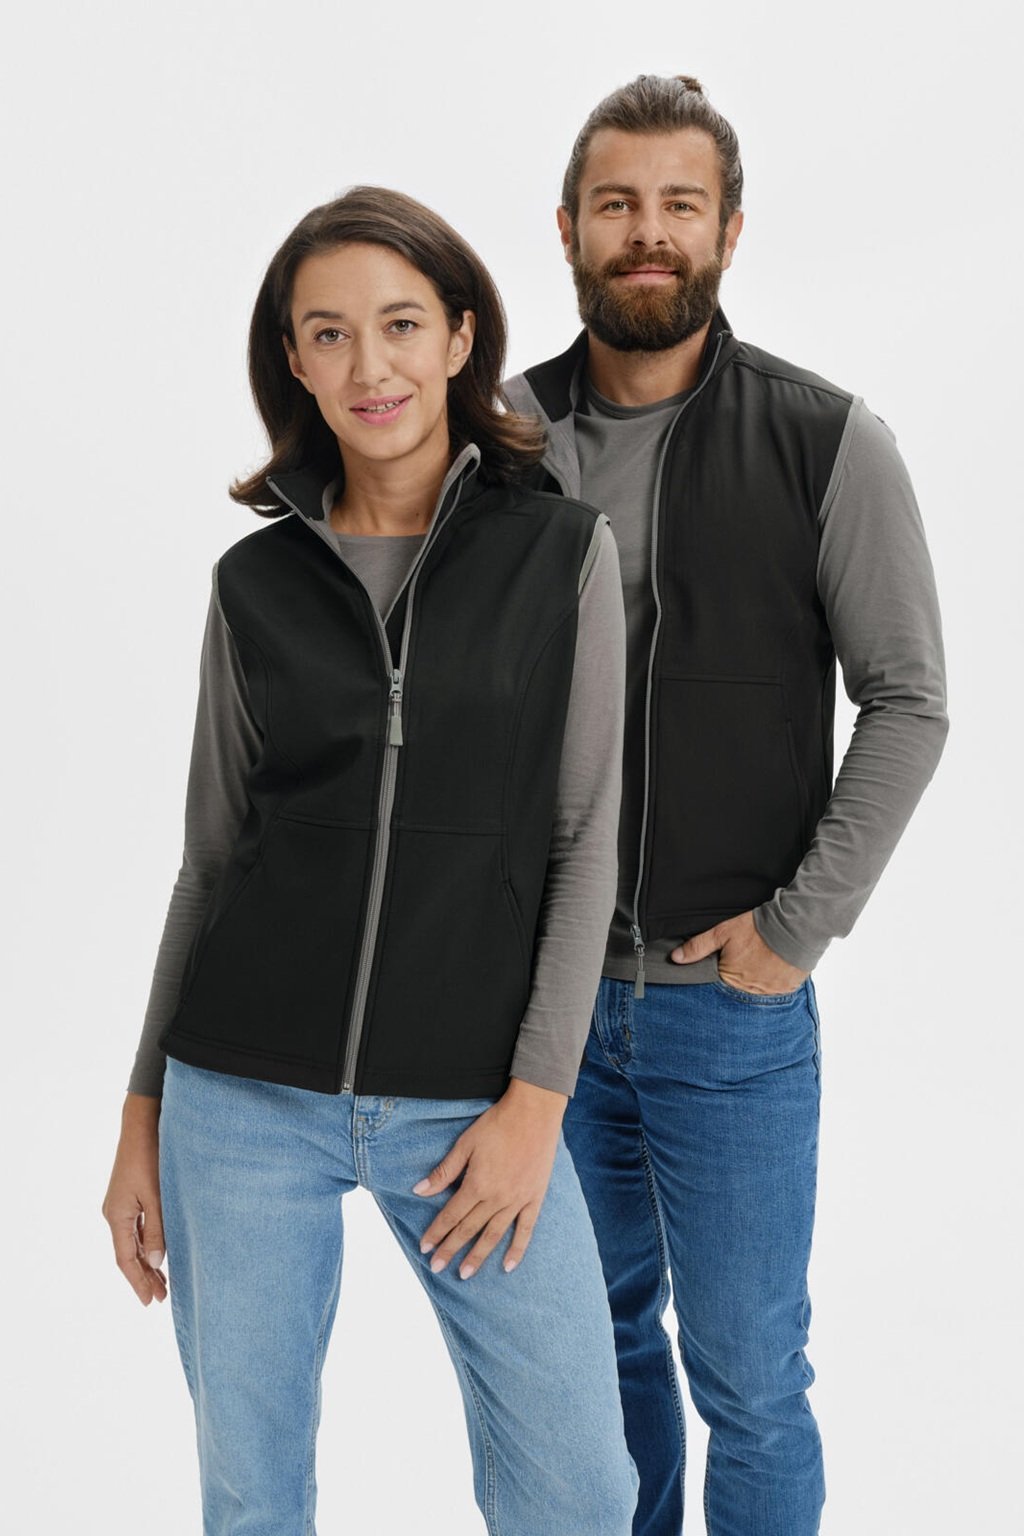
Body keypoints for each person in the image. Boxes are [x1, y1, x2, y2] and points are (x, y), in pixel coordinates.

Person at [101, 185, 640, 1536]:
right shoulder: (255, 585)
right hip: (239, 1098)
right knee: (252, 1496)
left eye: (400, 324)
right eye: (328, 333)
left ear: (460, 338)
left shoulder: (562, 555)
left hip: (470, 1106)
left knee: (581, 1490)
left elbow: (584, 839)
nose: (368, 365)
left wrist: (536, 1103)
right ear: (293, 361)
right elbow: (210, 861)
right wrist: (143, 1109)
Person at [504, 74, 949, 1536]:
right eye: (617, 204)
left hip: (729, 1012)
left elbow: (909, 698)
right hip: (538, 1016)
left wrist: (795, 931)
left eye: (678, 205)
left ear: (729, 230)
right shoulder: (498, 441)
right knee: (590, 1359)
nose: (648, 232)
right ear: (568, 227)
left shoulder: (826, 440)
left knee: (751, 1380)